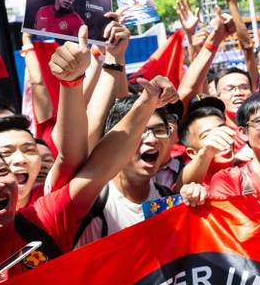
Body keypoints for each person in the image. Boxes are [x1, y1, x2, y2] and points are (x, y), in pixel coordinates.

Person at [0, 75, 177, 285]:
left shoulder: (41, 221)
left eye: (0, 172)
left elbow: (99, 168)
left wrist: (146, 103)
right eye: (7, 152)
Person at [74, 93, 181, 247]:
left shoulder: (169, 199)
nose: (152, 139)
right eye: (140, 130)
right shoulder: (89, 202)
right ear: (114, 140)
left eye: (159, 130)